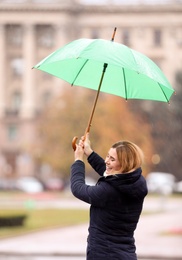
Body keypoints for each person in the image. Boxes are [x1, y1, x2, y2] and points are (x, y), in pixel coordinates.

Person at [70, 133, 148, 260]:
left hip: (104, 254)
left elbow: (78, 189)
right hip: (126, 254)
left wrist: (78, 160)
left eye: (112, 159)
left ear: (125, 164)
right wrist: (89, 152)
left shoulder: (108, 191)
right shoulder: (137, 182)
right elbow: (110, 173)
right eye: (107, 156)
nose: (107, 161)